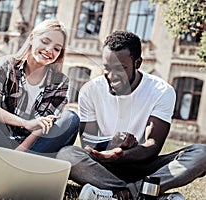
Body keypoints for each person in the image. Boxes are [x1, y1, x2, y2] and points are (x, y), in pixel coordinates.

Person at [56, 31, 206, 200]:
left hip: (145, 166)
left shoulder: (162, 91)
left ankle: (122, 193)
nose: (111, 76)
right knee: (66, 155)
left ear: (138, 63)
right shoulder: (89, 91)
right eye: (107, 68)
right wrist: (111, 147)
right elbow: (89, 144)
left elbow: (153, 145)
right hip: (103, 167)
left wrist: (124, 154)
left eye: (120, 69)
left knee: (202, 154)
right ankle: (146, 194)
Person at [0, 19, 79, 157]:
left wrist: (17, 155)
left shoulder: (60, 81)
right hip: (2, 139)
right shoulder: (7, 65)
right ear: (32, 38)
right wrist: (26, 123)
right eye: (45, 41)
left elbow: (42, 127)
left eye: (56, 48)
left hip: (35, 148)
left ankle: (10, 163)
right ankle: (10, 163)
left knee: (71, 118)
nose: (49, 50)